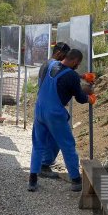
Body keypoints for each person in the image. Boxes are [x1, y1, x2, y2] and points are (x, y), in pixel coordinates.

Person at [28, 49, 96, 192]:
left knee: (38, 145)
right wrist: (90, 99)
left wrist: (82, 76)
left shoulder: (51, 64)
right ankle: (76, 180)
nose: (78, 66)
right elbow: (80, 97)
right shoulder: (71, 76)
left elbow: (63, 73)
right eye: (78, 64)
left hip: (39, 110)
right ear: (75, 61)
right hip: (54, 114)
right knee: (67, 145)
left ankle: (32, 180)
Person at [36, 41, 70, 179]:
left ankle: (45, 160)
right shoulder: (55, 66)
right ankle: (44, 165)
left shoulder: (46, 64)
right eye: (65, 56)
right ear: (58, 53)